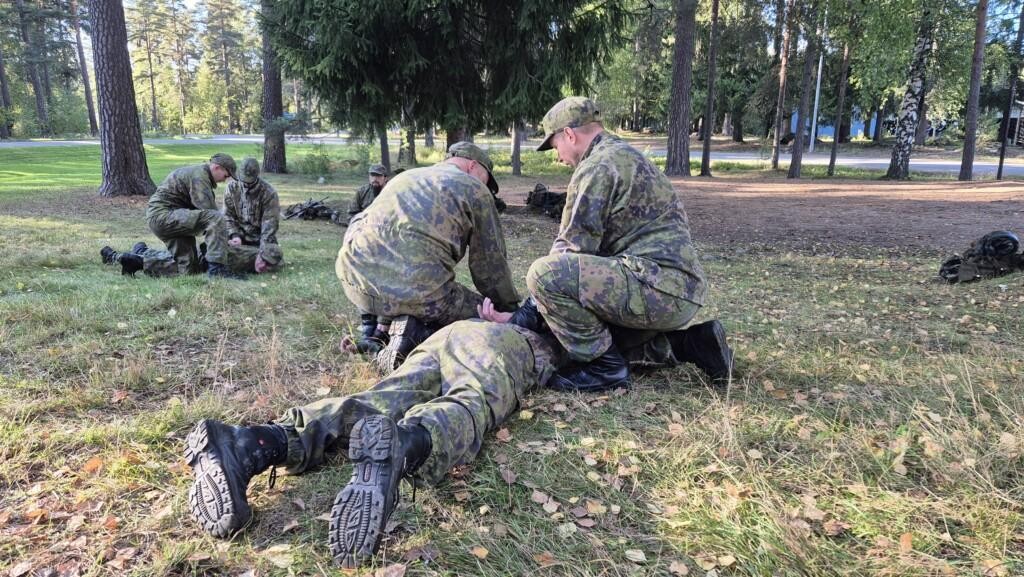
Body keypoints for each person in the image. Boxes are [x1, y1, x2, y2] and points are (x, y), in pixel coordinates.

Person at [184, 319, 561, 568]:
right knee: (470, 400)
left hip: (443, 336)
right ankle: (408, 442)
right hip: (502, 345)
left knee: (379, 398)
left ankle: (250, 442)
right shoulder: (543, 339)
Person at [482, 96, 732, 390]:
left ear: (570, 134)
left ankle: (605, 370)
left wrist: (520, 320)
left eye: (554, 146)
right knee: (585, 332)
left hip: (655, 288)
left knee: (544, 274)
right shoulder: (625, 156)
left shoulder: (596, 167)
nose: (557, 156)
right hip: (676, 290)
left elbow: (570, 252)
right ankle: (692, 344)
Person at [336, 142, 520, 374]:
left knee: (402, 268)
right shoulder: (474, 188)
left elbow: (365, 228)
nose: (487, 187)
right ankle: (415, 336)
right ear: (473, 166)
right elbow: (490, 268)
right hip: (422, 297)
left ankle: (378, 333)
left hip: (353, 284)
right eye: (486, 178)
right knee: (483, 315)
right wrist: (510, 311)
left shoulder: (404, 178)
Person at [145, 153, 239, 279]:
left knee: (189, 269)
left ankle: (138, 261)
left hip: (169, 218)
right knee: (216, 218)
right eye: (226, 175)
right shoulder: (199, 177)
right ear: (217, 168)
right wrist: (226, 239)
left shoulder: (201, 174)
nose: (225, 179)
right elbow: (211, 215)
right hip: (164, 216)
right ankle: (217, 271)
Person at [224, 158, 284, 274]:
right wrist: (235, 235)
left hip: (258, 240)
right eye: (243, 180)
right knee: (217, 250)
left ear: (257, 175)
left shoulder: (269, 193)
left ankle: (249, 259)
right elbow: (228, 216)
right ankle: (246, 259)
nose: (246, 184)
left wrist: (262, 254)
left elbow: (269, 227)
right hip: (237, 239)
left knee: (277, 263)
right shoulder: (231, 187)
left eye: (249, 181)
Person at [99, 241, 283, 278]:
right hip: (202, 258)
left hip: (202, 255)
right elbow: (210, 248)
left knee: (166, 257)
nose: (264, 266)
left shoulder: (260, 257)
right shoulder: (243, 256)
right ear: (258, 254)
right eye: (263, 261)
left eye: (269, 265)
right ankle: (118, 257)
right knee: (172, 267)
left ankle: (143, 250)